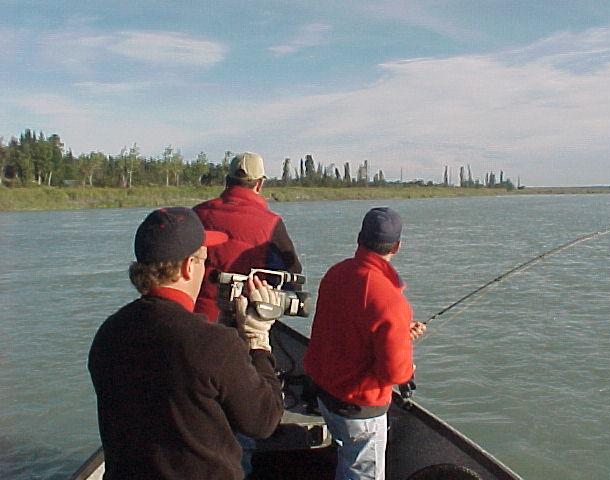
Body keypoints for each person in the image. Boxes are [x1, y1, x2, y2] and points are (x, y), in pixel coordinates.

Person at [88, 207, 284, 479]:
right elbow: (264, 420)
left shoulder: (109, 333)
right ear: (187, 266)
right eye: (205, 259)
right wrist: (257, 338)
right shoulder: (214, 344)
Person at [303, 207, 426, 480]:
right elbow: (395, 373)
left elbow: (348, 327)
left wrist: (399, 334)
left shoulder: (336, 273)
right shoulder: (391, 299)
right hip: (358, 409)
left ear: (360, 238)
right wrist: (404, 349)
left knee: (347, 458)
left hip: (325, 394)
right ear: (397, 246)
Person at [193, 151, 302, 322]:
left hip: (197, 318)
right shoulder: (271, 223)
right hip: (246, 322)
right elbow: (292, 278)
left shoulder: (197, 214)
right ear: (259, 184)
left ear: (227, 181)